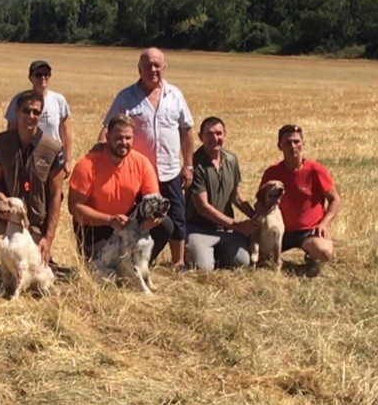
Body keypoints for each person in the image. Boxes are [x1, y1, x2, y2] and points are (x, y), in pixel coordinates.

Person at [0, 90, 66, 290]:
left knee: (38, 281)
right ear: (17, 111)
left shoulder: (53, 148)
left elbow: (55, 197)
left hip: (33, 223)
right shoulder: (1, 141)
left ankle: (39, 257)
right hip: (4, 214)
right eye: (26, 111)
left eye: (36, 112)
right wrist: (1, 201)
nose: (31, 116)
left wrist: (48, 238)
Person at [100, 47, 194, 269]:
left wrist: (188, 165)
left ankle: (178, 261)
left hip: (169, 170)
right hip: (137, 173)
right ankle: (135, 259)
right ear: (139, 68)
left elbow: (186, 130)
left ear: (164, 67)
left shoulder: (175, 95)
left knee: (177, 216)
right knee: (138, 220)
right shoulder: (126, 97)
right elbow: (108, 127)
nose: (153, 69)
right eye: (148, 65)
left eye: (157, 65)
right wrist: (101, 151)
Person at [70, 115, 173, 261]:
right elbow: (74, 207)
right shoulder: (87, 164)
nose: (123, 143)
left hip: (127, 222)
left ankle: (138, 266)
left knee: (165, 226)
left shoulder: (141, 162)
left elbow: (154, 199)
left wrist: (153, 219)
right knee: (102, 273)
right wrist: (109, 220)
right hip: (95, 226)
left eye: (128, 138)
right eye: (118, 138)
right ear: (107, 136)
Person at [260, 124, 341, 274]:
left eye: (296, 142)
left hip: (308, 231)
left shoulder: (316, 170)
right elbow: (260, 202)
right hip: (278, 229)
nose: (293, 146)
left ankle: (311, 256)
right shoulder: (271, 173)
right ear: (279, 146)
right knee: (250, 256)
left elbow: (335, 200)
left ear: (303, 144)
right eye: (287, 142)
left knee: (324, 252)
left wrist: (324, 224)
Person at [185, 117, 259, 270]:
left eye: (218, 133)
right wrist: (237, 225)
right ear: (200, 137)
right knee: (203, 269)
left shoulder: (231, 160)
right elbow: (202, 207)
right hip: (199, 229)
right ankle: (202, 252)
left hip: (226, 230)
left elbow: (236, 196)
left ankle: (218, 252)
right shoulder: (195, 164)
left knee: (244, 264)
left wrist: (256, 219)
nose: (215, 138)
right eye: (209, 134)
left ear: (225, 134)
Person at [4, 60, 73, 176]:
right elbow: (11, 131)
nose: (43, 78)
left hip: (53, 157)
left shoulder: (59, 100)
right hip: (27, 155)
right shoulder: (19, 100)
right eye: (38, 74)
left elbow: (66, 134)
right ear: (30, 78)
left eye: (46, 74)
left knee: (54, 193)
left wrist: (67, 161)